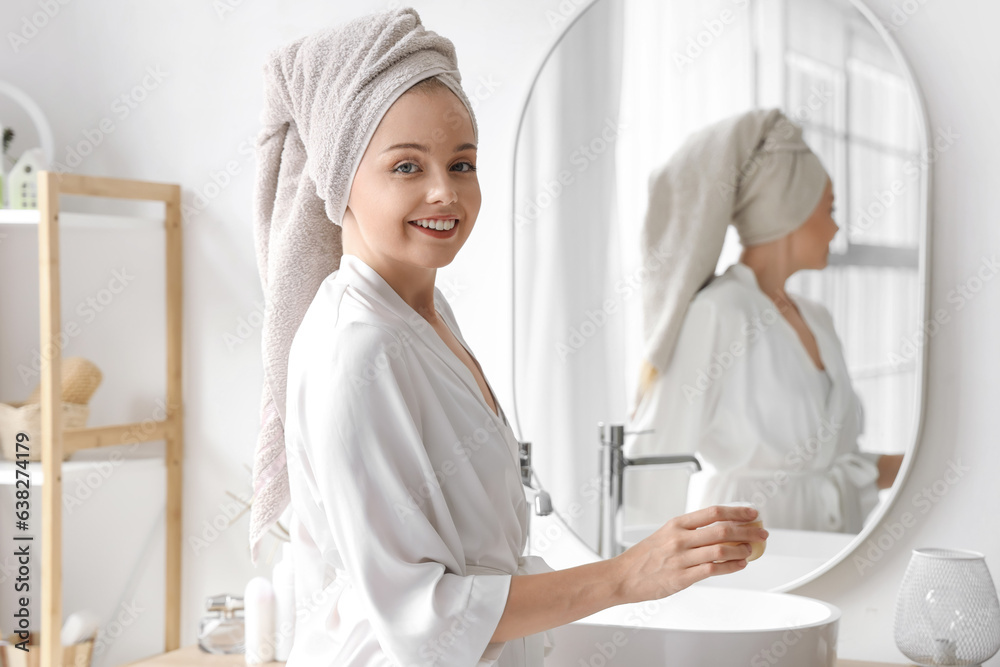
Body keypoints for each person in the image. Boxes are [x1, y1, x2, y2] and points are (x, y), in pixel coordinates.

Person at [251, 8, 769, 667]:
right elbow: (421, 616)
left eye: (461, 163)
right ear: (339, 178)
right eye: (406, 167)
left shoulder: (422, 318)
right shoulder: (358, 349)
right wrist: (626, 574)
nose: (445, 192)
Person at [626, 108, 904, 534]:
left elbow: (832, 463)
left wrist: (933, 467)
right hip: (749, 560)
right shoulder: (717, 313)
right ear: (789, 209)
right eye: (829, 209)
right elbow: (655, 460)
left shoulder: (819, 319)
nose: (835, 230)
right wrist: (647, 586)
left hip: (840, 553)